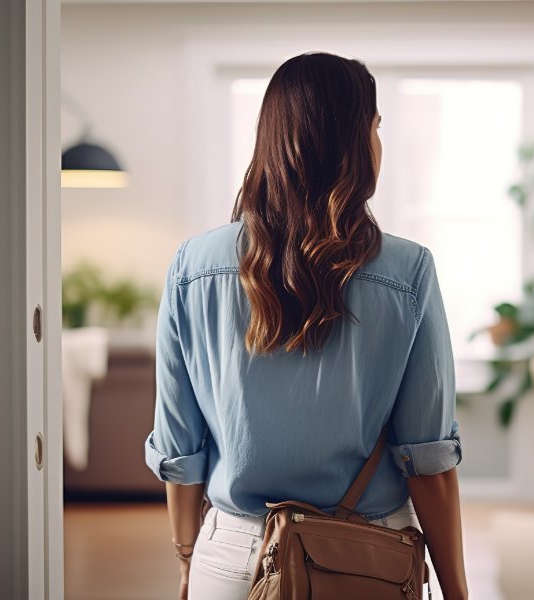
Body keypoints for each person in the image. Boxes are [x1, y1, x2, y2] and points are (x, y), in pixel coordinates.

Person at [144, 51, 468, 600]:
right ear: (355, 143)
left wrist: (187, 558)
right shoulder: (408, 271)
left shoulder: (192, 266)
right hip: (364, 559)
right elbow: (428, 460)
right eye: (376, 126)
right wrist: (458, 591)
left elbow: (180, 448)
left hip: (230, 559)